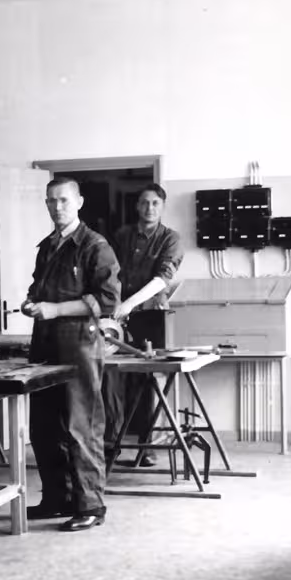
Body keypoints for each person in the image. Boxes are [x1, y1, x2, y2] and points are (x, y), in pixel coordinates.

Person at [23, 177, 121, 532]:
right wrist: (32, 302)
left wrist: (54, 309)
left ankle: (90, 505)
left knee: (81, 425)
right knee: (44, 426)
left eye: (63, 200)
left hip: (78, 344)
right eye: (51, 201)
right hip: (45, 343)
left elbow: (108, 301)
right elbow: (39, 287)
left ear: (79, 202)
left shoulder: (95, 246)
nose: (57, 207)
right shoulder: (48, 246)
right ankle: (57, 498)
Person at [107, 182, 183, 467]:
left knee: (149, 381)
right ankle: (110, 446)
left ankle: (147, 447)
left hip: (151, 316)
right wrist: (114, 305)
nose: (149, 208)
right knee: (112, 378)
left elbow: (163, 279)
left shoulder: (171, 239)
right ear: (137, 206)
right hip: (118, 317)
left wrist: (129, 303)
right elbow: (110, 273)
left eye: (155, 203)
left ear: (162, 207)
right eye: (144, 203)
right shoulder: (122, 235)